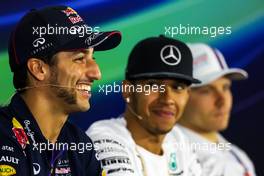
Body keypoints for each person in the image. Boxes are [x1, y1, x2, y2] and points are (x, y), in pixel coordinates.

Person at [0, 5, 121, 176]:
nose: (97, 73)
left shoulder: (78, 143)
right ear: (39, 69)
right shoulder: (4, 137)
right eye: (80, 59)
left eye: (92, 58)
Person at [86, 35, 202, 176]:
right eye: (153, 85)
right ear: (128, 90)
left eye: (177, 87)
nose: (167, 99)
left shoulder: (178, 140)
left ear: (188, 95)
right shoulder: (104, 137)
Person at [171, 43, 256, 176]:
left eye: (225, 87)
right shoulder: (165, 158)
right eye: (206, 91)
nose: (222, 100)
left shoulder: (237, 155)